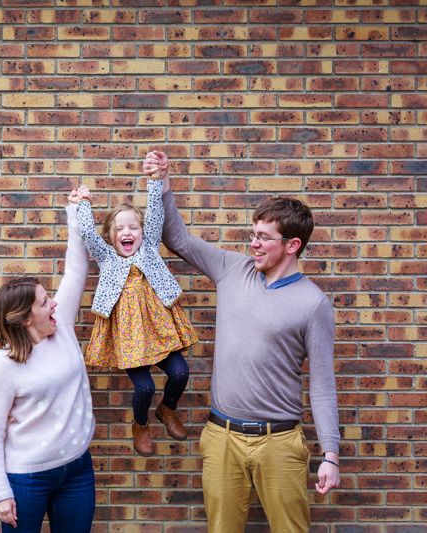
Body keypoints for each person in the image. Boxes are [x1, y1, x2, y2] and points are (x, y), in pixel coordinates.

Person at [143, 150, 340, 532]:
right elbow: (176, 238)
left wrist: (330, 455)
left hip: (280, 442)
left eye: (264, 238)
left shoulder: (314, 304)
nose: (254, 244)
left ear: (292, 245)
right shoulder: (233, 269)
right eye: (253, 234)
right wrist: (162, 181)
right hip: (221, 438)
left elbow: (322, 384)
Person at [0, 189, 95, 532]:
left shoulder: (63, 329)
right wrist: (1, 492)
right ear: (26, 319)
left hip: (76, 469)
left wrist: (76, 212)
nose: (54, 305)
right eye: (45, 302)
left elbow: (75, 269)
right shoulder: (5, 365)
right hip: (26, 477)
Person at [73, 173, 198, 457]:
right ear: (111, 236)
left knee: (180, 373)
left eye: (133, 227)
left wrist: (155, 181)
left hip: (159, 329)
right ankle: (140, 425)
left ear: (143, 232)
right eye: (120, 229)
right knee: (145, 387)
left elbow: (155, 212)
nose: (127, 233)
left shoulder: (150, 248)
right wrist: (84, 204)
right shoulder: (106, 258)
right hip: (129, 337)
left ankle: (167, 410)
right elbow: (89, 235)